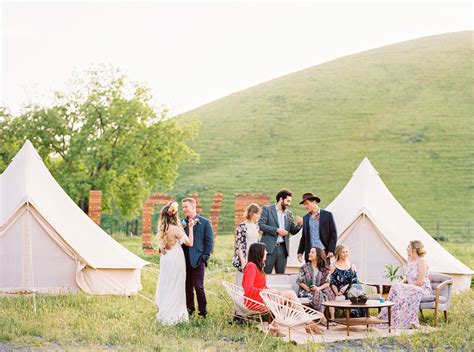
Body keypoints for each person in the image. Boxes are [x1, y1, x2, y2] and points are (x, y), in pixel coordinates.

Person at [242, 243, 323, 334]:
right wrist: (267, 291)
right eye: (264, 250)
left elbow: (260, 286)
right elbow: (248, 289)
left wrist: (270, 291)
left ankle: (275, 325)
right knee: (290, 294)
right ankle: (308, 323)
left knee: (290, 302)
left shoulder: (257, 267)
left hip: (262, 298)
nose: (266, 252)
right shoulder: (251, 266)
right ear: (258, 252)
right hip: (254, 300)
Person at [155, 201, 195, 325]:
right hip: (176, 259)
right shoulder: (175, 229)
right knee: (177, 284)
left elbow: (162, 249)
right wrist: (191, 228)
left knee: (167, 284)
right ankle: (175, 315)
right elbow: (189, 243)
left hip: (166, 259)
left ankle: (165, 311)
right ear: (174, 215)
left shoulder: (162, 228)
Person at [378, 240, 431, 329]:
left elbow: (420, 281)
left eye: (409, 247)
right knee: (396, 286)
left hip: (421, 288)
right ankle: (392, 318)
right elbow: (407, 278)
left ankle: (405, 321)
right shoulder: (410, 260)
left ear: (414, 249)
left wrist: (405, 287)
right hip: (410, 288)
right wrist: (400, 284)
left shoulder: (422, 261)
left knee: (400, 289)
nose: (407, 249)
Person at [181, 197, 214, 318]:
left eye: (186, 207)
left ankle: (203, 312)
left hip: (198, 259)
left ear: (193, 207)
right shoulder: (181, 223)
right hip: (184, 260)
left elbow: (209, 242)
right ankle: (190, 310)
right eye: (183, 207)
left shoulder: (205, 222)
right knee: (187, 286)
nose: (184, 209)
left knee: (198, 286)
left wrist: (204, 257)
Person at [259, 189, 303, 274]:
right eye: (288, 201)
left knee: (281, 275)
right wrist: (277, 230)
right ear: (281, 199)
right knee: (265, 274)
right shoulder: (267, 209)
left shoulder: (289, 213)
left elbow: (292, 231)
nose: (289, 204)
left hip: (283, 249)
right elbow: (261, 225)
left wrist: (300, 225)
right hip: (268, 249)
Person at [296, 247, 336, 323]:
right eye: (310, 252)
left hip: (319, 288)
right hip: (306, 290)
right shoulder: (304, 267)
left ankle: (332, 318)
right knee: (318, 293)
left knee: (328, 292)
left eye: (312, 252)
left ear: (318, 255)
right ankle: (322, 317)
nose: (309, 254)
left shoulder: (324, 268)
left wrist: (318, 288)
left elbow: (327, 283)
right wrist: (309, 289)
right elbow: (300, 281)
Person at [297, 192, 337, 264]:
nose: (305, 206)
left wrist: (331, 250)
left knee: (324, 274)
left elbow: (333, 233)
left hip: (323, 252)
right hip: (310, 253)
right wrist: (300, 252)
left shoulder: (327, 215)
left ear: (314, 202)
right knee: (310, 274)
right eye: (304, 204)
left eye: (307, 203)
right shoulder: (305, 218)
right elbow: (304, 237)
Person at [329, 244, 364, 317]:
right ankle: (355, 314)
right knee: (356, 289)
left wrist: (347, 286)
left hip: (351, 287)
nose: (345, 254)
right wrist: (336, 292)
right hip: (341, 289)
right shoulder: (333, 266)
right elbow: (332, 282)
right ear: (338, 253)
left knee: (357, 287)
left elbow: (355, 280)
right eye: (343, 252)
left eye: (346, 251)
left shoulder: (352, 266)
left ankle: (359, 315)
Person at [232, 203, 261, 286]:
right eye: (257, 214)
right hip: (245, 258)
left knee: (252, 283)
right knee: (242, 282)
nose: (259, 216)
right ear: (251, 213)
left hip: (255, 259)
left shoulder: (256, 226)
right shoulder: (242, 226)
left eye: (259, 214)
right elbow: (239, 246)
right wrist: (243, 261)